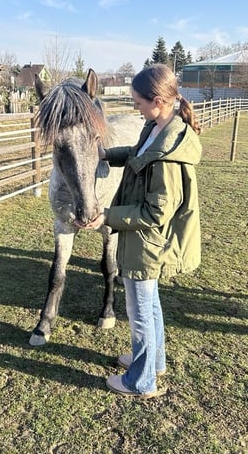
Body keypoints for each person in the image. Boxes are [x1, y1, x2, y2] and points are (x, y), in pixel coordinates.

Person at [74, 63, 202, 398]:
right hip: (142, 237)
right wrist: (105, 154)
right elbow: (135, 155)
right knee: (149, 305)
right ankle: (153, 361)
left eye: (139, 102)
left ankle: (141, 381)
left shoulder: (169, 155)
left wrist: (106, 217)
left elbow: (156, 211)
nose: (136, 107)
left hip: (148, 241)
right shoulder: (157, 127)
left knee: (140, 310)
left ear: (158, 100)